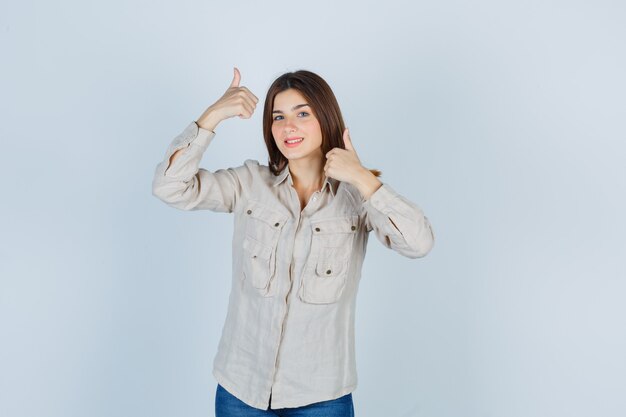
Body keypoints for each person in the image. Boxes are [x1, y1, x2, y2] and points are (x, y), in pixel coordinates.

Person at [152, 67, 435, 416]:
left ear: (325, 119)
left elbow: (419, 243)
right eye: (278, 117)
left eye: (302, 113)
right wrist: (212, 116)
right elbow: (170, 187)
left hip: (322, 397)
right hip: (241, 391)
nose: (289, 127)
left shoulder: (357, 198)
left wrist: (362, 177)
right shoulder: (249, 184)